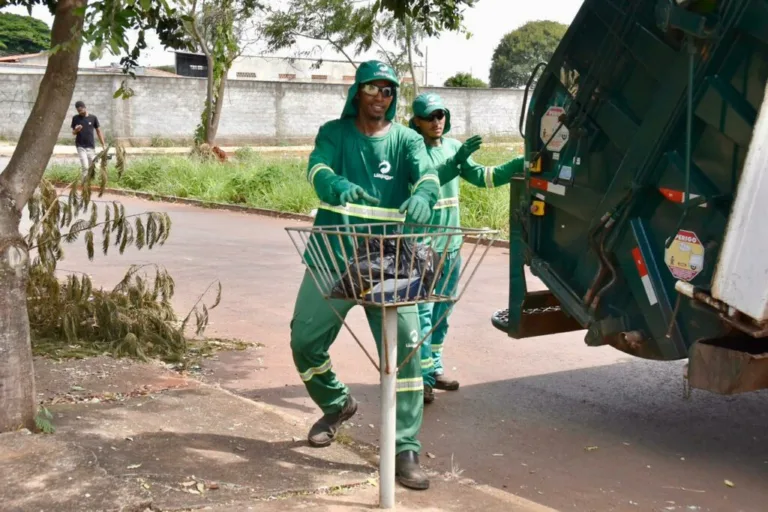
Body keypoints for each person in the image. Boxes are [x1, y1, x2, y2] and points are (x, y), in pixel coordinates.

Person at [290, 61, 441, 491]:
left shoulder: (408, 140)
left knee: (406, 352)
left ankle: (404, 449)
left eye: (390, 90)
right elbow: (317, 170)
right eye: (374, 88)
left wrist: (427, 194)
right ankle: (336, 403)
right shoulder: (334, 134)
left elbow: (426, 174)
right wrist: (335, 186)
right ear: (358, 91)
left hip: (389, 261)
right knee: (305, 340)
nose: (382, 96)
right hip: (331, 255)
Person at [408, 92, 524, 404]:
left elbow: (483, 177)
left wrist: (518, 164)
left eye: (441, 115)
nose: (437, 122)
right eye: (430, 117)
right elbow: (423, 180)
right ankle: (421, 378)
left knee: (443, 312)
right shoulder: (411, 149)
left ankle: (435, 368)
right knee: (422, 314)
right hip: (422, 247)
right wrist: (454, 163)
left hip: (451, 245)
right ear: (416, 121)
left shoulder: (453, 146)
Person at [71, 101, 106, 181]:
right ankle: (84, 186)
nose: (80, 112)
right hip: (80, 145)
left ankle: (90, 183)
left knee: (92, 167)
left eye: (81, 110)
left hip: (90, 146)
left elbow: (98, 131)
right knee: (85, 166)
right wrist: (76, 130)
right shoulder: (75, 118)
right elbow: (73, 133)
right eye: (78, 111)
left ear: (85, 108)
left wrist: (103, 144)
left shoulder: (93, 118)